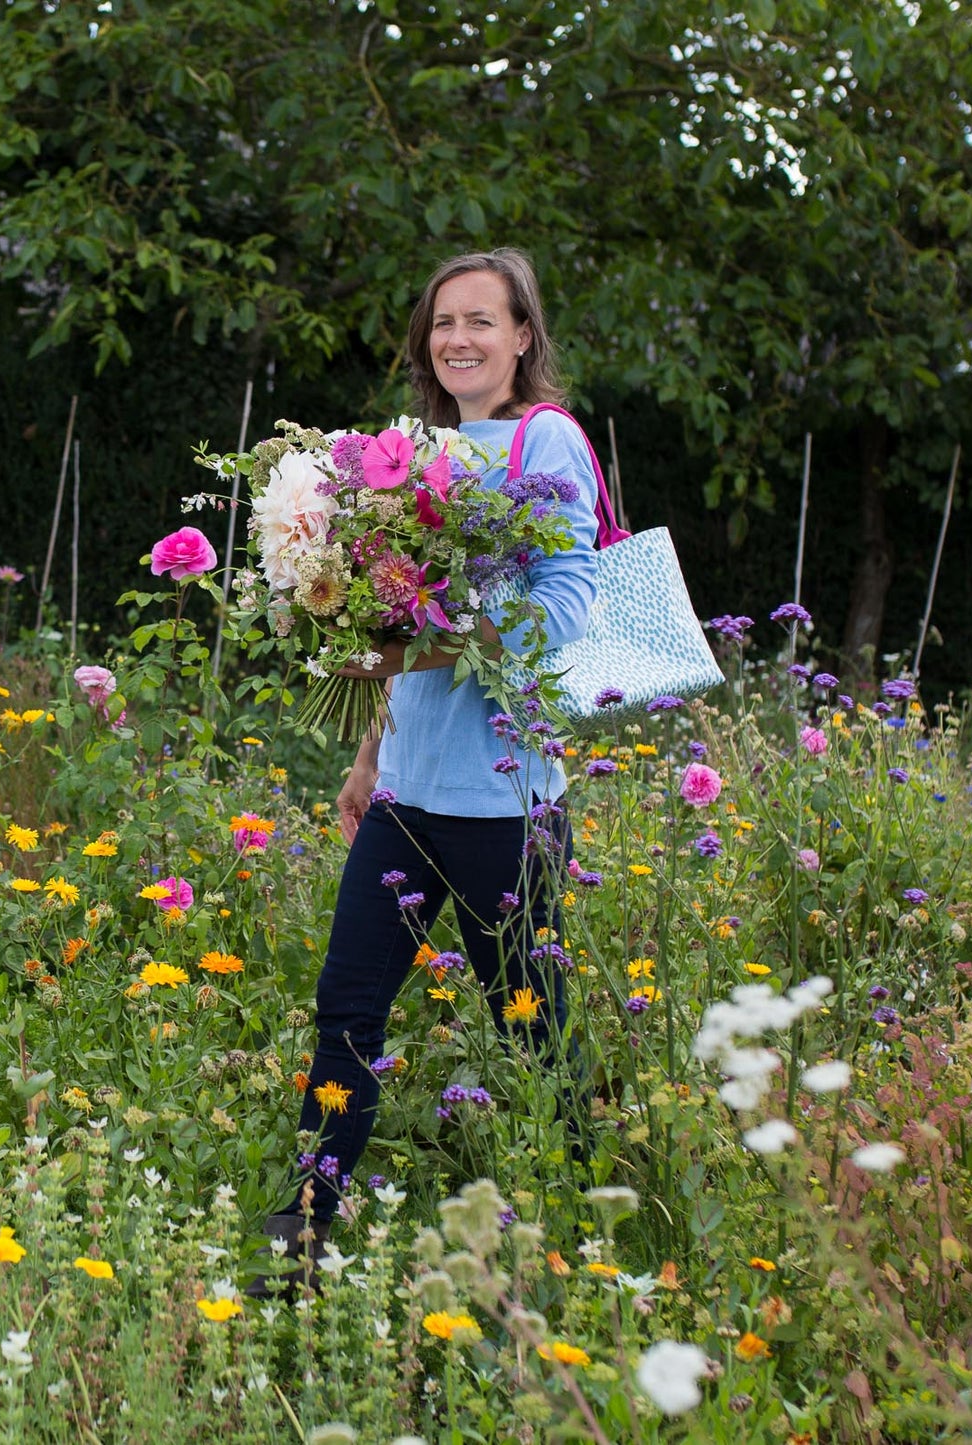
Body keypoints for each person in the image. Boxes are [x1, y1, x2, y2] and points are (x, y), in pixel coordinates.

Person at [252, 248, 602, 1280]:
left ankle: (588, 1230)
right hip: (405, 796)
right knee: (346, 1012)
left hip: (504, 801)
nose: (458, 338)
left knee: (530, 1028)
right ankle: (302, 1235)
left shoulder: (547, 444)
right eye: (443, 321)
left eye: (480, 321)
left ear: (521, 335)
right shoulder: (407, 452)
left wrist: (429, 641)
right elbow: (388, 622)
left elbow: (565, 604)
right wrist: (369, 746)